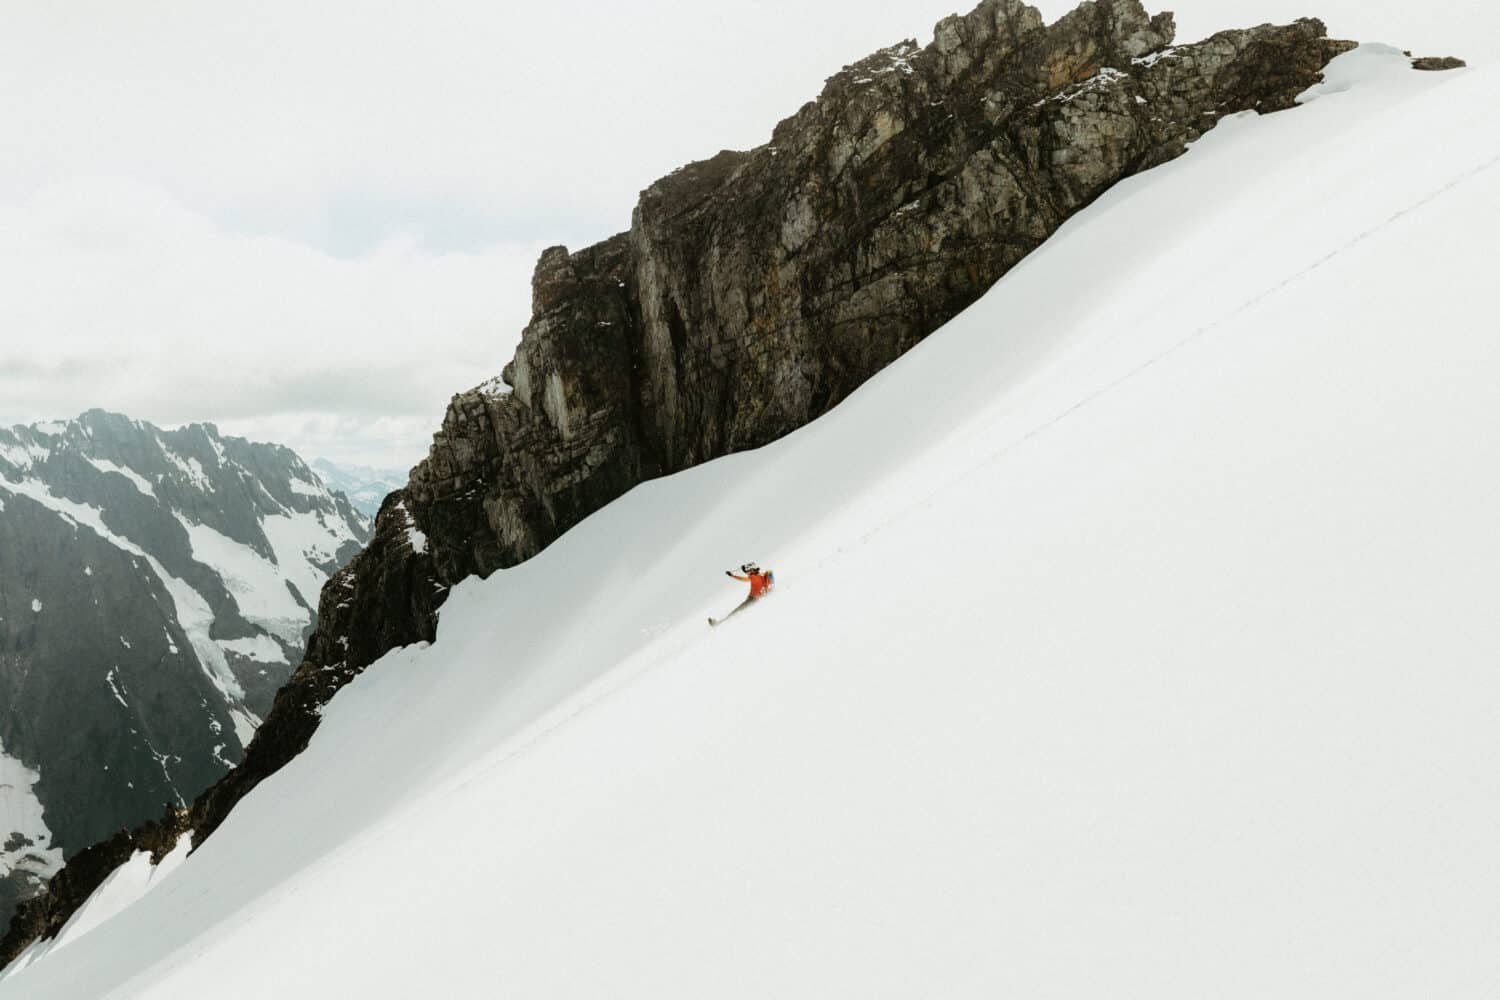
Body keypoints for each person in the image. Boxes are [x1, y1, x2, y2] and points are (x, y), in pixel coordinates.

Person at [711, 562, 775, 626]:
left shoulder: (753, 577)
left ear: (752, 570)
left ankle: (719, 623)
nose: (747, 573)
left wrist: (732, 576)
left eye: (748, 571)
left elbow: (743, 579)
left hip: (752, 599)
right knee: (742, 610)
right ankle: (721, 622)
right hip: (758, 597)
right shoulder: (761, 575)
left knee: (737, 611)